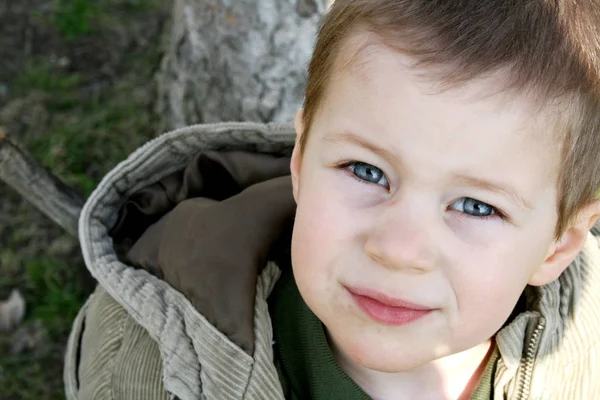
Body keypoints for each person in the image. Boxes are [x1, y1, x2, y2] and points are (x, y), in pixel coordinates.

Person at [64, 0, 600, 399]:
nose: (398, 249)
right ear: (301, 159)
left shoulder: (587, 354)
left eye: (477, 206)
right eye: (367, 171)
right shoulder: (143, 366)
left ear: (557, 246)